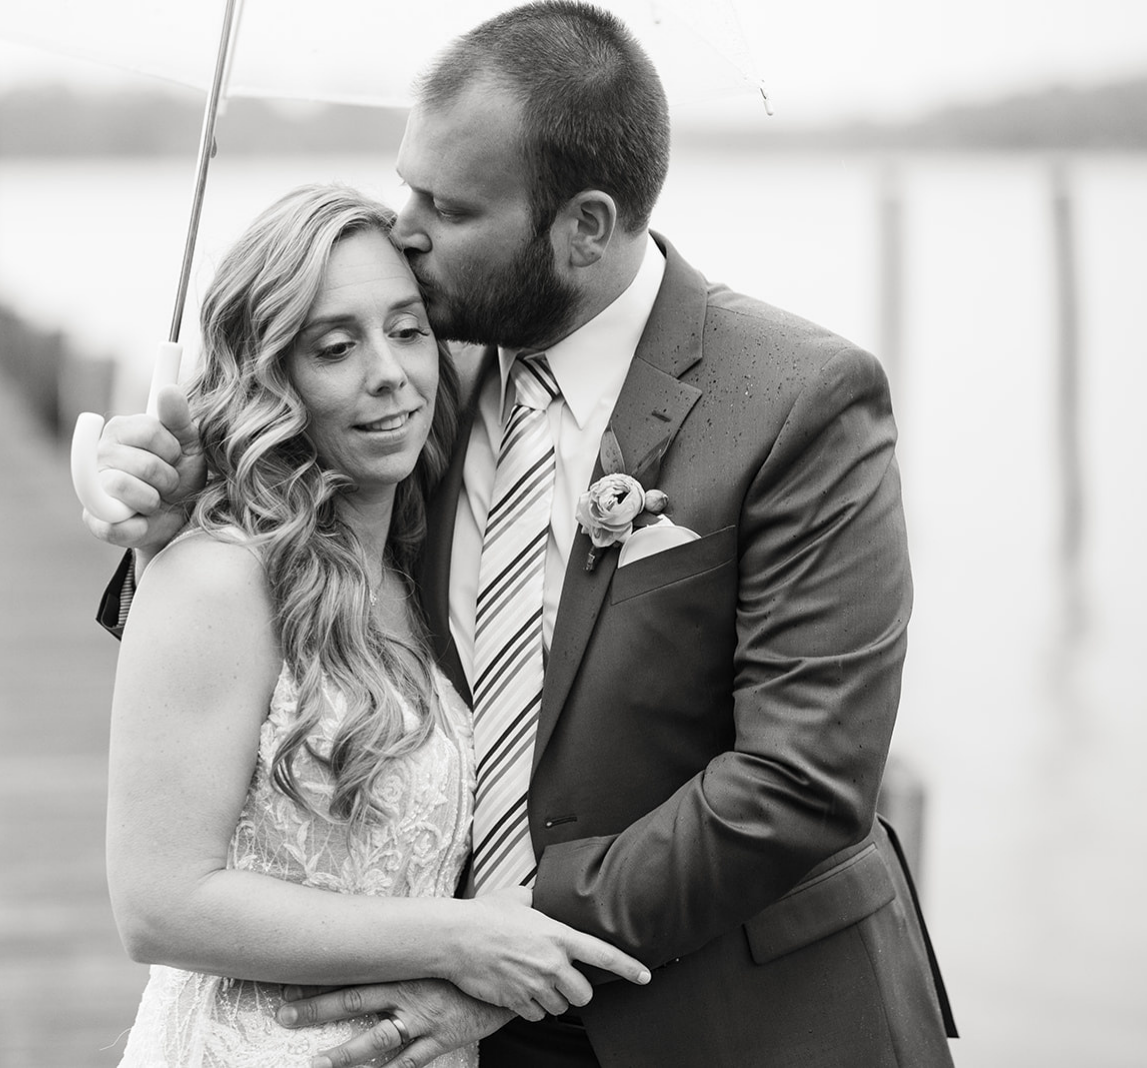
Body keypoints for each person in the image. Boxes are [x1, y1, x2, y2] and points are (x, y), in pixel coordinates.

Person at [88, 4, 958, 1066]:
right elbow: (262, 580)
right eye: (407, 183)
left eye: (447, 206)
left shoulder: (797, 398)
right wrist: (159, 518)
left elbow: (800, 780)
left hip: (732, 1020)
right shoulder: (415, 370)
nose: (404, 229)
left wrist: (512, 938)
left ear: (585, 226)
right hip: (443, 1026)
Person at [104, 183, 652, 1068]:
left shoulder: (417, 559)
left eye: (406, 330)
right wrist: (458, 939)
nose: (389, 373)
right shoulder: (217, 577)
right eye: (335, 346)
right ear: (273, 376)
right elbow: (157, 904)